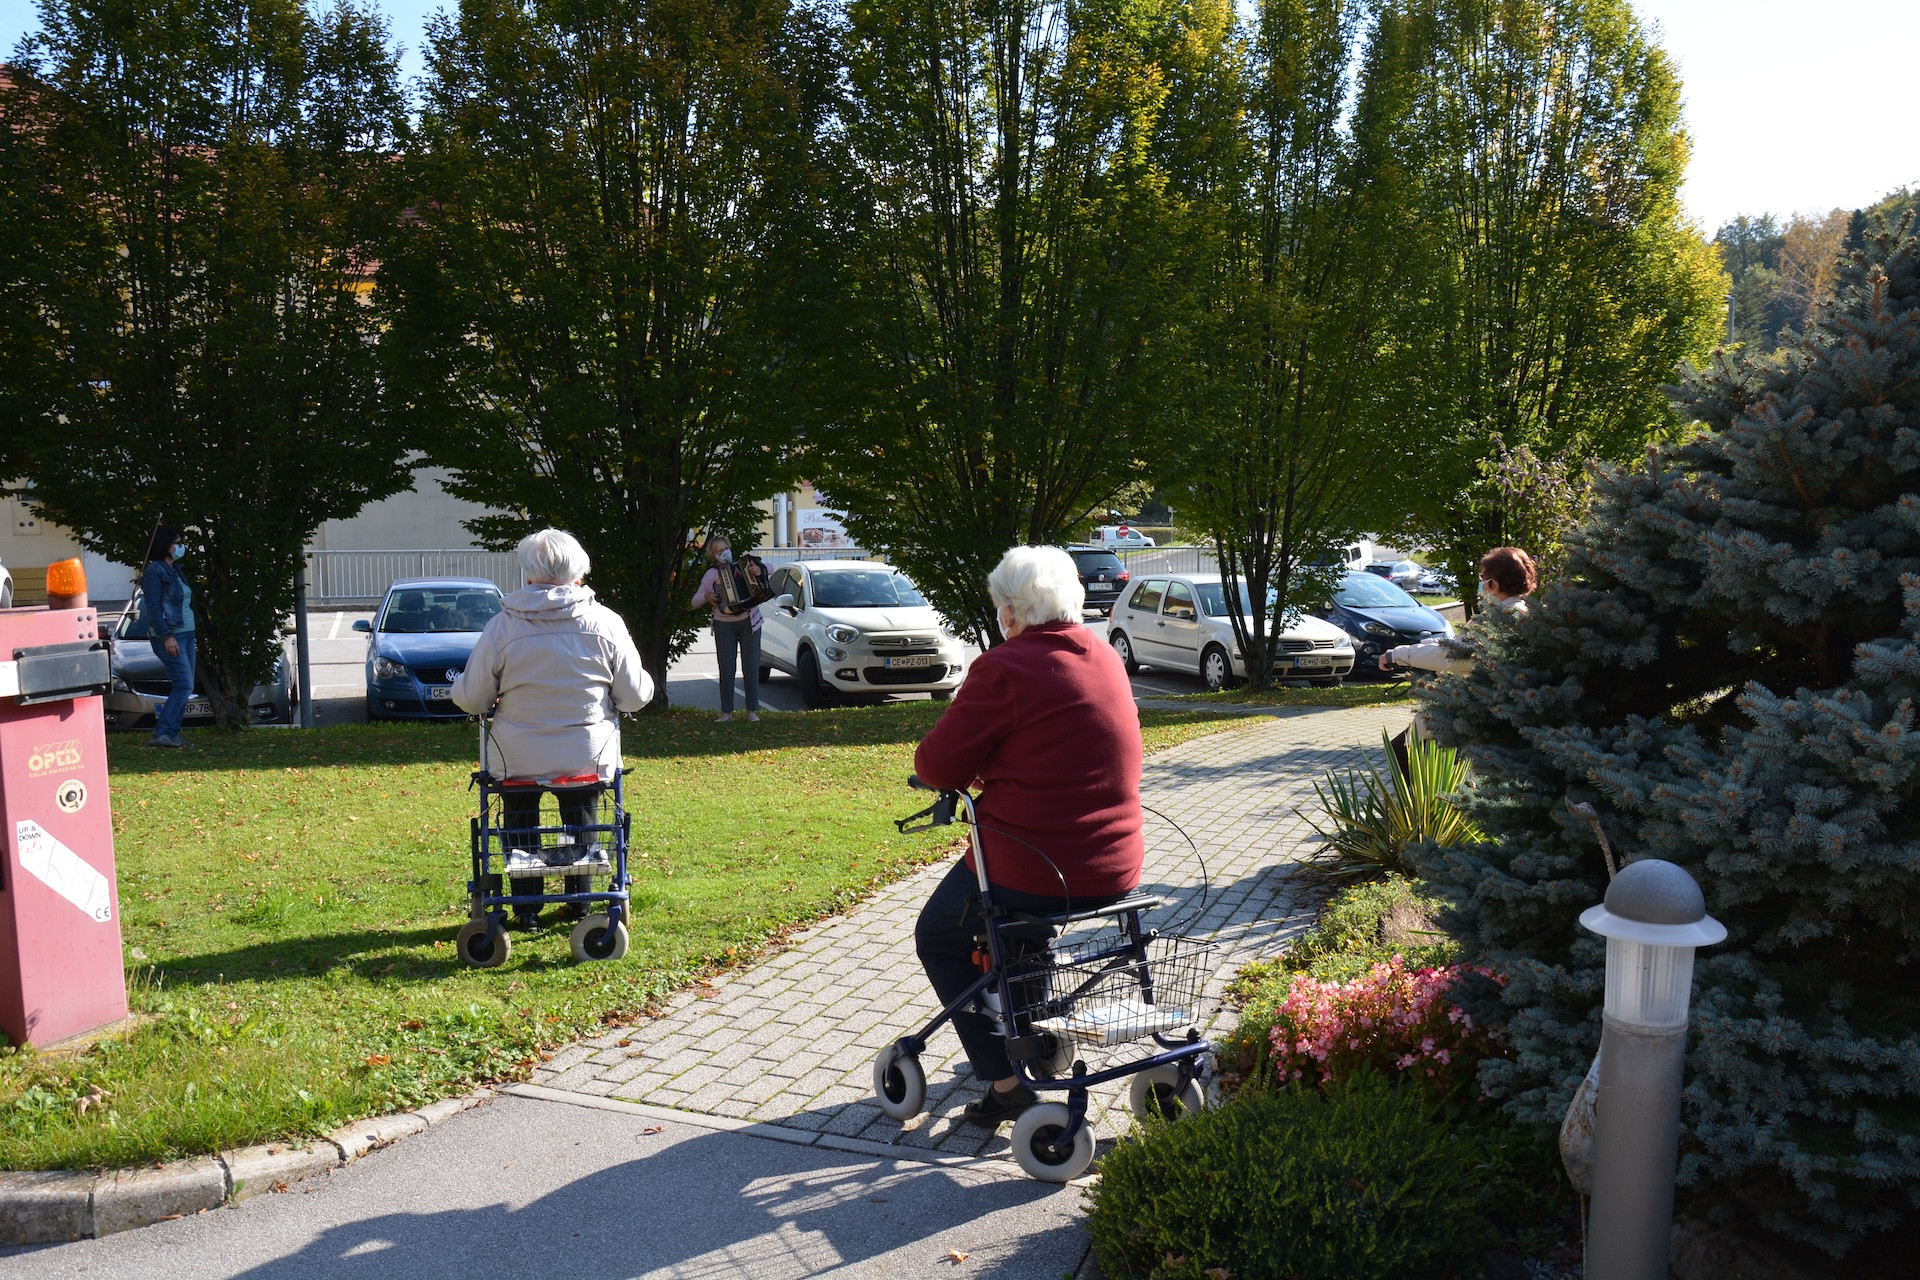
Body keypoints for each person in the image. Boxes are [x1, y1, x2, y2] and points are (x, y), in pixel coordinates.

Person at [911, 545, 1145, 1127]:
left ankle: (1007, 1081)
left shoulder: (1005, 667)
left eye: (1000, 608)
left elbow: (938, 767)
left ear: (1011, 612)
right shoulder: (1103, 654)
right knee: (1022, 933)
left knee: (939, 936)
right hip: (1114, 863)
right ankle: (1032, 1040)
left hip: (1038, 866)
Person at [453, 530, 653, 929]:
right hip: (586, 751)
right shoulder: (606, 623)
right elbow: (635, 695)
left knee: (520, 815)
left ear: (527, 574)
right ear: (578, 571)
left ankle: (526, 907)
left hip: (517, 754)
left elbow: (472, 698)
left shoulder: (503, 626)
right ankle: (580, 902)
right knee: (582, 815)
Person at [1377, 546, 1535, 676]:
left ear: (1493, 584)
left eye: (1483, 578)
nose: (1482, 586)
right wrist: (1429, 644)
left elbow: (1454, 656)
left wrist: (1396, 655)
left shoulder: (1497, 619)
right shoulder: (1526, 613)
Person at [690, 536, 762, 724]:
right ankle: (726, 712)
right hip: (723, 624)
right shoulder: (711, 575)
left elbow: (769, 569)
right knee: (727, 668)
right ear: (713, 556)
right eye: (718, 551)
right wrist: (707, 596)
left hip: (750, 621)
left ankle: (751, 711)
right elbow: (694, 602)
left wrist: (759, 570)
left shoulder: (745, 565)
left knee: (751, 667)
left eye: (725, 548)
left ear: (730, 548)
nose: (724, 553)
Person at [139, 525, 196, 748]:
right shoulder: (155, 572)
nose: (181, 546)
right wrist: (166, 636)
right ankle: (162, 733)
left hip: (187, 634)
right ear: (165, 545)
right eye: (178, 543)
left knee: (185, 686)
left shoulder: (175, 569)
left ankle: (172, 733)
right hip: (171, 636)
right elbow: (153, 607)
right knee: (183, 685)